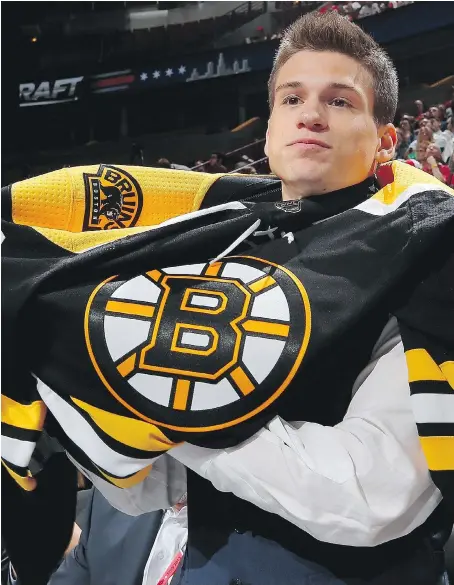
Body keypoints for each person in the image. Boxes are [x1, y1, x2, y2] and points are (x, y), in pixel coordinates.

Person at [2, 11, 454, 585]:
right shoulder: (221, 248)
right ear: (268, 133)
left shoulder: (428, 257)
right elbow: (154, 484)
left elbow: (371, 497)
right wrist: (73, 374)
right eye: (291, 100)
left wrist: (164, 389)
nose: (310, 114)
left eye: (340, 102)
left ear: (386, 140)